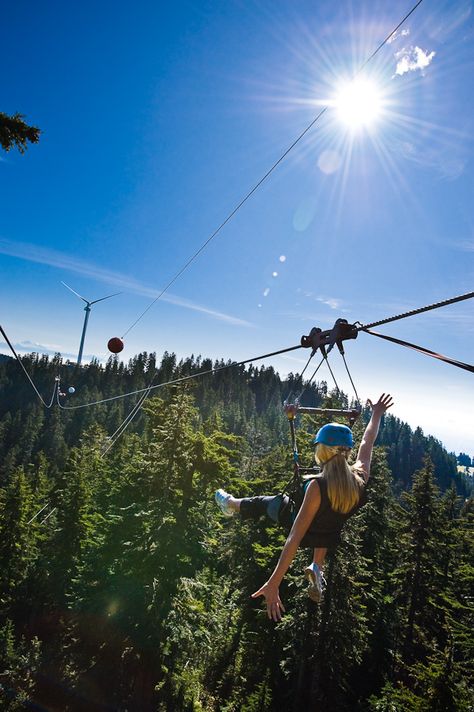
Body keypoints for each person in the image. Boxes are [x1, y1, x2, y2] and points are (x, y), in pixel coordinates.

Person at [214, 394, 393, 620]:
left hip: (297, 522)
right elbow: (367, 442)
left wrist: (274, 582)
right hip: (327, 533)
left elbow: (294, 537)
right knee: (327, 523)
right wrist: (376, 413)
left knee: (262, 503)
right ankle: (317, 567)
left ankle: (229, 503)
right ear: (347, 450)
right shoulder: (359, 479)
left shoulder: (317, 487)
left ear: (322, 450)